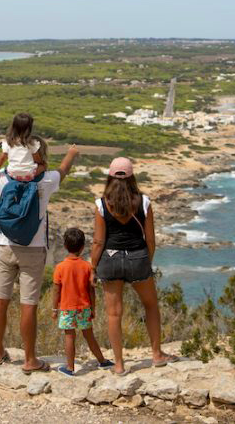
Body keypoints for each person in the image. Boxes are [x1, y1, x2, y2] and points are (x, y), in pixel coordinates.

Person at [0, 142, 80, 373]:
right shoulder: (47, 180)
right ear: (38, 160)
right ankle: (30, 359)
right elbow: (64, 169)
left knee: (0, 299)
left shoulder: (4, 178)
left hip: (5, 246)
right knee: (28, 304)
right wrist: (71, 153)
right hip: (33, 248)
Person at [90, 157, 173, 374]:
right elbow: (151, 239)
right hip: (138, 258)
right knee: (151, 305)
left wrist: (93, 267)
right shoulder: (144, 202)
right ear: (132, 176)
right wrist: (147, 261)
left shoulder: (102, 204)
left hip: (110, 259)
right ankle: (156, 354)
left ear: (109, 176)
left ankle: (118, 364)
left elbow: (98, 241)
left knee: (114, 314)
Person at [52, 227, 112, 375]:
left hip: (67, 308)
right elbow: (92, 290)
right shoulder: (87, 267)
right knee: (89, 335)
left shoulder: (60, 268)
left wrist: (54, 309)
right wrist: (93, 308)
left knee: (69, 336)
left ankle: (70, 368)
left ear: (65, 246)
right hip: (84, 307)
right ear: (83, 246)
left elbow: (56, 291)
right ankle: (102, 361)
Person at [0, 112, 46, 181]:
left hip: (12, 174)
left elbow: (2, 158)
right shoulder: (32, 143)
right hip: (29, 174)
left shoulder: (8, 142)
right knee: (43, 166)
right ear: (29, 128)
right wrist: (42, 164)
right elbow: (37, 159)